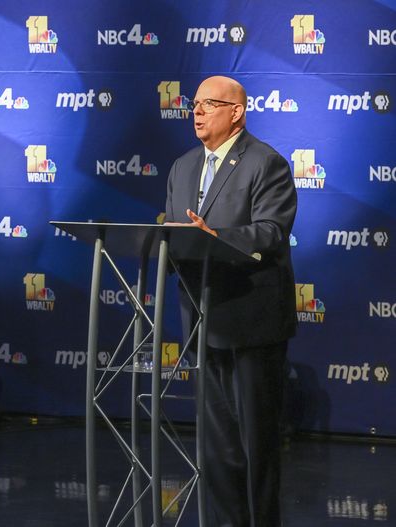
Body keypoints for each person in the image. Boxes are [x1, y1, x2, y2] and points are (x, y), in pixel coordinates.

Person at [164, 76, 297, 527]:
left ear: (236, 112)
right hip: (202, 323)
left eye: (209, 105)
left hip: (251, 320)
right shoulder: (182, 167)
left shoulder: (266, 163)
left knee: (255, 445)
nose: (197, 112)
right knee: (216, 448)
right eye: (194, 105)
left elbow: (270, 232)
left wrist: (215, 237)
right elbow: (175, 234)